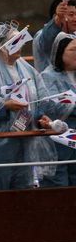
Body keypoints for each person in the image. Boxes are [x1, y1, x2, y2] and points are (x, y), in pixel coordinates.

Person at [0, 22, 55, 191]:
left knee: (24, 191)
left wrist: (41, 118)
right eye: (14, 41)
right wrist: (5, 106)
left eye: (21, 40)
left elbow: (41, 99)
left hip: (26, 141)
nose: (20, 45)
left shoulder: (28, 70)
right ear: (0, 46)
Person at [38, 32, 76, 186]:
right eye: (73, 50)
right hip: (58, 142)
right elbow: (50, 106)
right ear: (60, 52)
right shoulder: (48, 76)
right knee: (57, 187)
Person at [33, 0, 76, 72]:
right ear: (55, 17)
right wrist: (58, 19)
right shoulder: (41, 35)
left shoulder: (73, 35)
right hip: (50, 82)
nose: (75, 19)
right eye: (71, 15)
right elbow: (45, 41)